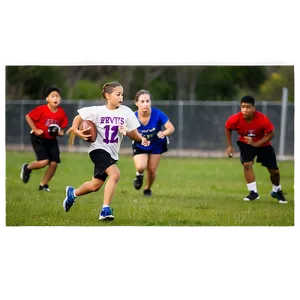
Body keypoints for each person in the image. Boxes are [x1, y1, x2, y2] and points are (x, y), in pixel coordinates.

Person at [63, 82, 150, 221]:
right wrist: (75, 129)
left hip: (112, 154)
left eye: (122, 94)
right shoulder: (97, 110)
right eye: (118, 94)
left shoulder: (126, 111)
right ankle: (105, 210)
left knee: (95, 185)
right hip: (97, 150)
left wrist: (141, 139)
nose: (121, 97)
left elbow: (134, 133)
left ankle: (72, 194)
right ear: (108, 95)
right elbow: (79, 117)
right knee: (115, 174)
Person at [225, 95, 287, 203]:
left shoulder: (262, 119)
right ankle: (253, 193)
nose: (245, 109)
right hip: (246, 143)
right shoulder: (235, 119)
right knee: (247, 164)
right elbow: (228, 128)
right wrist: (230, 146)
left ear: (254, 108)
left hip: (263, 144)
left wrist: (257, 143)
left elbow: (271, 133)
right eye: (243, 107)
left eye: (248, 107)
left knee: (274, 171)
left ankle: (277, 191)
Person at [20, 86, 68, 192]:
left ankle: (43, 185)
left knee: (54, 163)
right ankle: (27, 168)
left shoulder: (61, 112)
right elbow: (28, 116)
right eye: (52, 96)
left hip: (51, 139)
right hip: (38, 138)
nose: (55, 99)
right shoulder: (42, 109)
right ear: (47, 99)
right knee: (44, 162)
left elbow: (62, 128)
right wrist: (35, 129)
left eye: (57, 96)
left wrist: (60, 133)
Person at [132, 89, 175, 196]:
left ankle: (147, 189)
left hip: (156, 144)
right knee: (141, 166)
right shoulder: (132, 116)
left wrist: (164, 133)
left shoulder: (158, 114)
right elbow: (128, 132)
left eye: (147, 101)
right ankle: (139, 175)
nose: (145, 104)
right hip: (140, 144)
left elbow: (171, 128)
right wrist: (140, 138)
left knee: (151, 170)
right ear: (136, 103)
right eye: (142, 101)